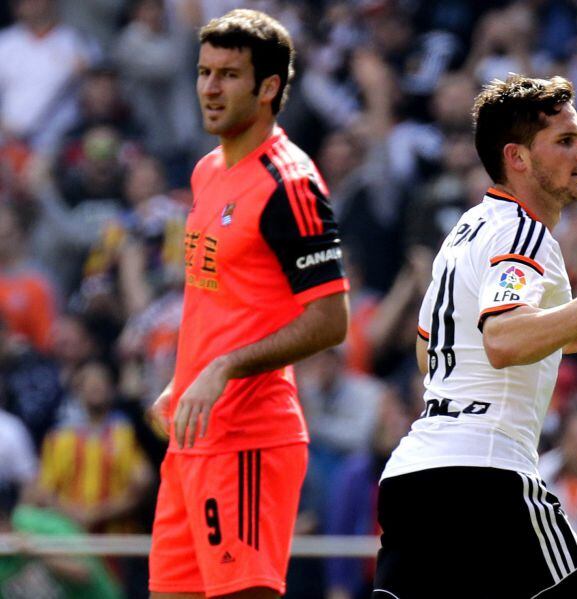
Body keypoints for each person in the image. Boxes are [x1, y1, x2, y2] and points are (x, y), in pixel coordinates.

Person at [372, 73, 577, 599]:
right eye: (566, 140)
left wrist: (562, 334)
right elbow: (502, 342)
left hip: (414, 478)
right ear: (518, 158)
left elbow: (431, 352)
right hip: (485, 477)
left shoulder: (465, 231)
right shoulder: (523, 231)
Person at [147, 9, 349, 599]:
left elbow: (330, 320)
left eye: (229, 75)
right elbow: (223, 297)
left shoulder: (291, 184)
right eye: (204, 71)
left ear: (269, 89)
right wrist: (186, 376)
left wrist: (225, 367)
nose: (210, 88)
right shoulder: (208, 170)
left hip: (250, 439)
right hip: (193, 436)